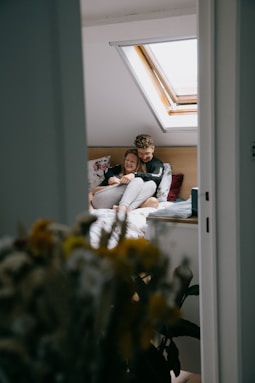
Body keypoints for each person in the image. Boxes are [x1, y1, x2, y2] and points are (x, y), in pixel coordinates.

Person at [90, 148, 156, 210]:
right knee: (138, 181)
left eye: (132, 161)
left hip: (121, 203)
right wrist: (114, 185)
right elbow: (94, 190)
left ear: (138, 164)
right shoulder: (115, 175)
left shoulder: (142, 177)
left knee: (152, 185)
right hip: (104, 200)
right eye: (127, 160)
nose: (128, 163)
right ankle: (124, 207)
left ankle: (126, 208)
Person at [115, 134, 164, 212]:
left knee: (153, 199)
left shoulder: (157, 164)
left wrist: (134, 174)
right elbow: (118, 167)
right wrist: (111, 177)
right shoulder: (135, 158)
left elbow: (157, 177)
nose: (144, 157)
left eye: (147, 153)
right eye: (140, 153)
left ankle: (126, 208)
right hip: (128, 192)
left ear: (153, 149)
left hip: (144, 195)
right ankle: (125, 207)